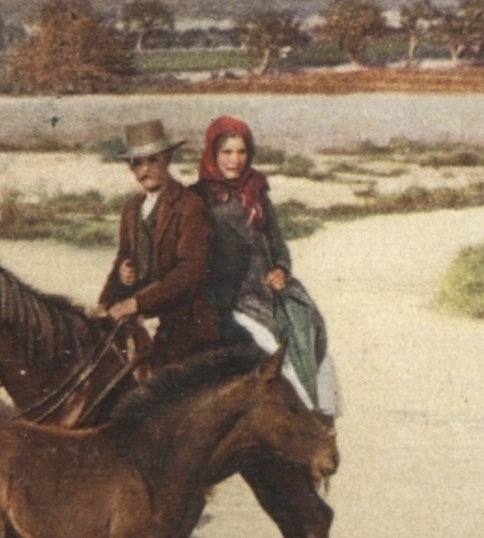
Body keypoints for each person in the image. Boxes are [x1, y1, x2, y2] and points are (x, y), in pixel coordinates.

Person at [195, 115, 337, 416]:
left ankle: (321, 413)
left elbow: (277, 243)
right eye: (227, 152)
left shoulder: (256, 188)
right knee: (274, 346)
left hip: (274, 288)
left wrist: (281, 270)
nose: (235, 160)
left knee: (310, 326)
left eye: (242, 151)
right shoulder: (198, 197)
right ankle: (300, 415)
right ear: (213, 153)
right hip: (234, 295)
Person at [98, 119, 220, 367]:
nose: (145, 170)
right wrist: (111, 292)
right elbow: (123, 256)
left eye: (152, 160)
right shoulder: (131, 209)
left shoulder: (189, 205)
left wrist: (135, 303)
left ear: (167, 159)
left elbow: (191, 271)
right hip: (138, 318)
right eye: (136, 163)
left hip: (182, 321)